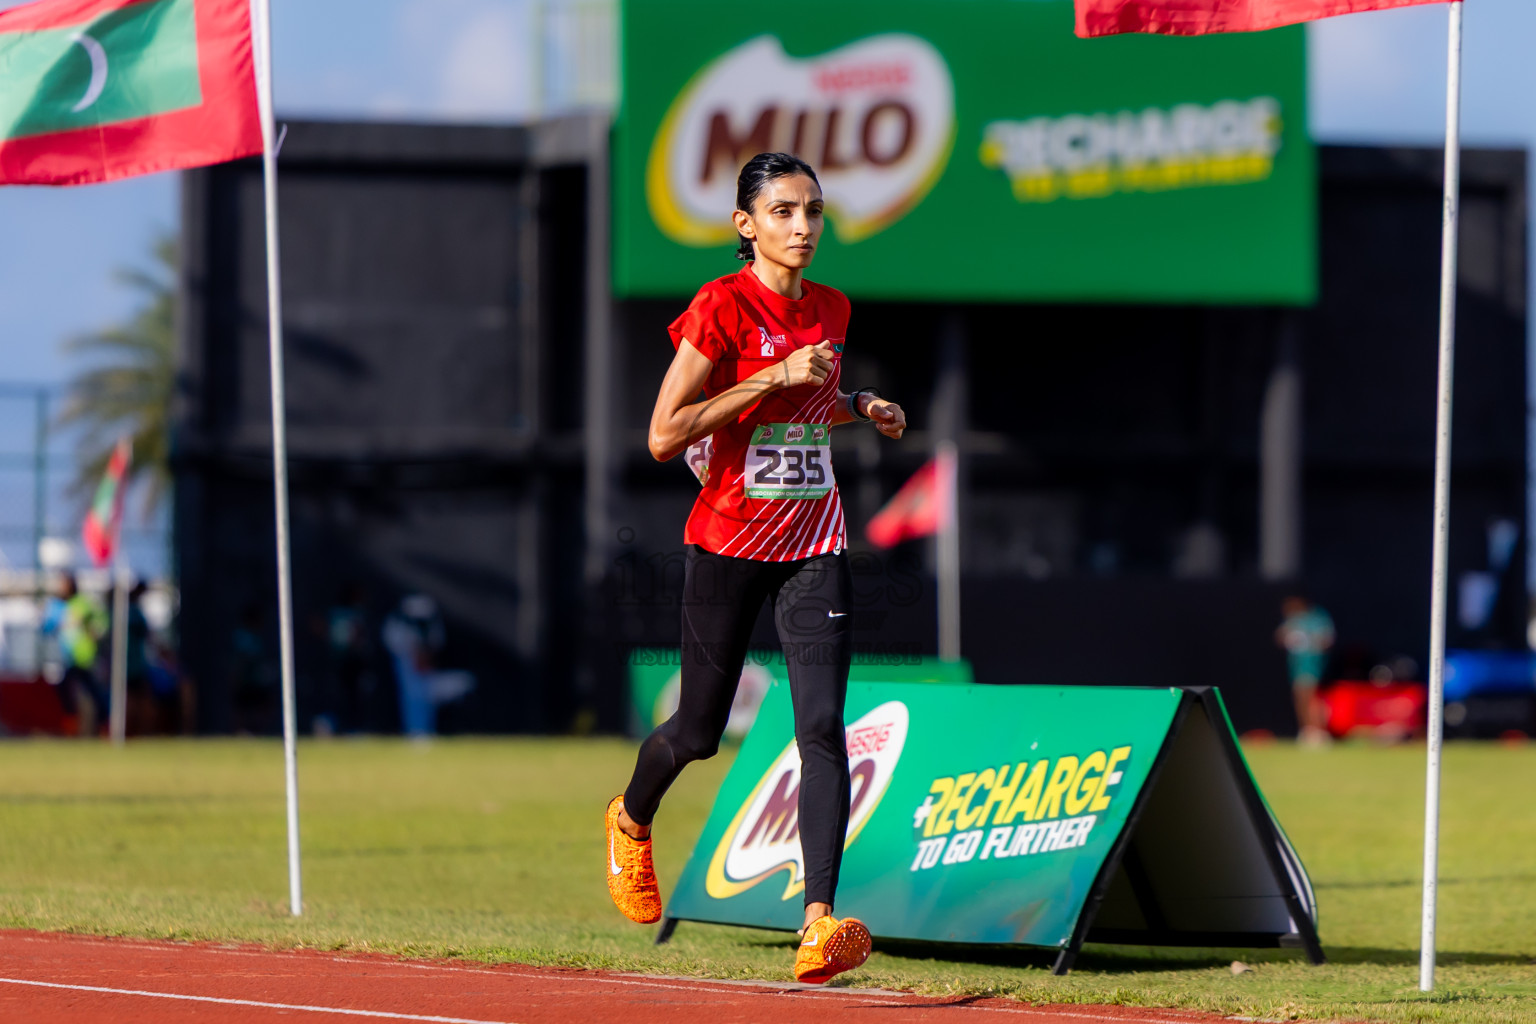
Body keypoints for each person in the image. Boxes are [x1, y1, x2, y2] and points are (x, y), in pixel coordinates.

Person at [604, 152, 907, 984]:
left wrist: (858, 405)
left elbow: (805, 407)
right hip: (729, 541)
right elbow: (667, 435)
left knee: (821, 731)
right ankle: (631, 819)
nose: (802, 227)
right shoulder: (720, 306)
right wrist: (771, 373)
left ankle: (818, 923)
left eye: (813, 210)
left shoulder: (834, 308)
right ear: (746, 226)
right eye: (782, 212)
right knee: (698, 733)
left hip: (814, 544)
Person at [40, 572, 109, 737]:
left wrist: (96, 631)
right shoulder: (56, 606)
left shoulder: (83, 603)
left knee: (93, 693)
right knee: (65, 692)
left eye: (63, 583)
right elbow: (46, 627)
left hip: (85, 656)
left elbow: (101, 621)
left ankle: (104, 728)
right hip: (67, 658)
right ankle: (71, 727)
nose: (60, 587)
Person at [1276, 595, 1335, 746]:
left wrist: (1312, 642)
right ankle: (1308, 731)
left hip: (1311, 666)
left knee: (1311, 698)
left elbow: (1326, 640)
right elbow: (1280, 638)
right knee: (1300, 699)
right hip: (1297, 667)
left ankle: (1319, 731)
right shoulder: (1293, 621)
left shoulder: (1316, 619)